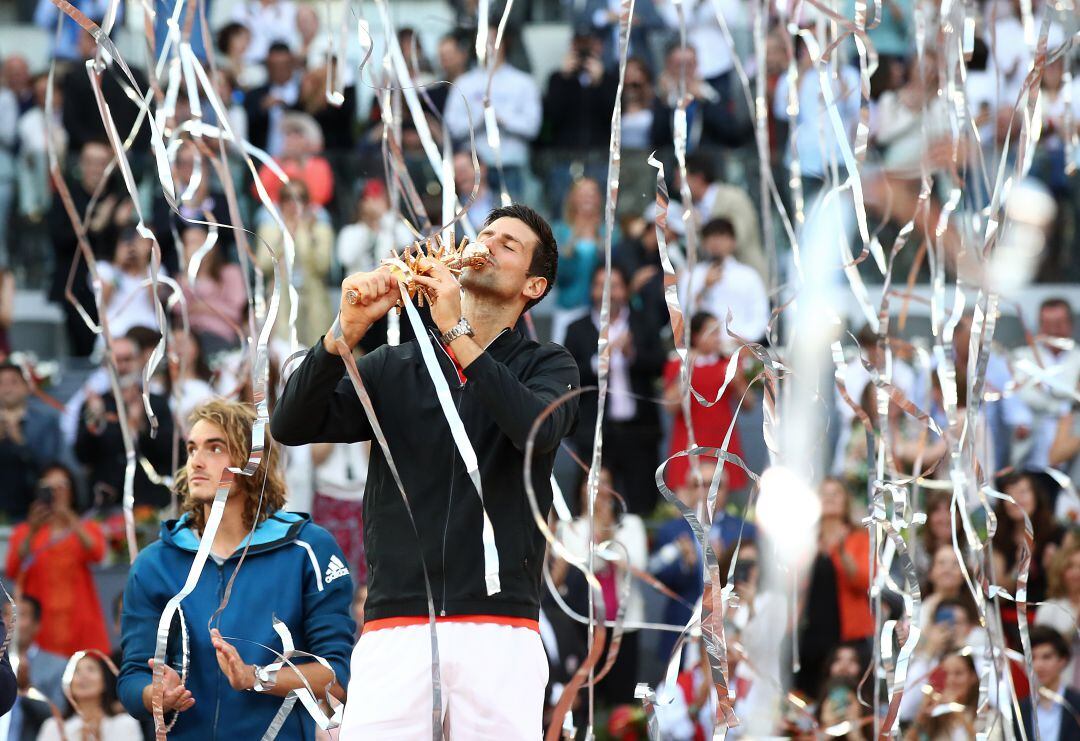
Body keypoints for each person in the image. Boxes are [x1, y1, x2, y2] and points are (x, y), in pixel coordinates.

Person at [270, 203, 578, 738]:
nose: (486, 244)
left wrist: (457, 330)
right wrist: (344, 330)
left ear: (534, 286)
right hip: (397, 620)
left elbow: (537, 430)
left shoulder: (548, 365)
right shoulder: (396, 365)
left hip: (499, 624)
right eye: (485, 234)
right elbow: (292, 423)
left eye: (508, 244)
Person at [118, 399, 355, 739]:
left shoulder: (307, 549)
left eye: (215, 448)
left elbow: (336, 676)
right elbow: (132, 677)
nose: (196, 462)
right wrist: (155, 694)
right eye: (192, 449)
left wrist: (254, 678)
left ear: (251, 461)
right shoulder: (154, 563)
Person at [564, 265, 665, 514]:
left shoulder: (642, 323)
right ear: (592, 290)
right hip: (595, 433)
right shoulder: (577, 329)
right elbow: (568, 375)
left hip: (638, 431)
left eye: (615, 285)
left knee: (642, 500)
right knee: (592, 499)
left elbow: (660, 365)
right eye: (601, 285)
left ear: (626, 290)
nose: (608, 292)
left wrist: (632, 355)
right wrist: (599, 360)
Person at [554, 467, 647, 705]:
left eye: (604, 482)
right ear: (580, 488)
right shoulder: (569, 528)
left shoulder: (631, 525)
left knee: (622, 699)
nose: (598, 488)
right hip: (583, 626)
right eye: (592, 481)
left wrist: (609, 536)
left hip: (623, 627)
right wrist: (598, 536)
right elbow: (578, 573)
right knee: (586, 699)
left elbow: (638, 566)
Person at [6, 464, 110, 657]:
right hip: (40, 626)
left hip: (80, 622)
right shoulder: (25, 530)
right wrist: (32, 530)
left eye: (61, 486)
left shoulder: (83, 526)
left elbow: (97, 553)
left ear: (71, 490)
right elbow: (12, 569)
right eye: (48, 487)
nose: (55, 493)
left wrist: (68, 516)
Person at [74, 336, 176, 510]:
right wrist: (95, 422)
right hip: (108, 503)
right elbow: (82, 456)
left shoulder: (156, 403)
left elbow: (171, 452)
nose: (122, 366)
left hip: (151, 502)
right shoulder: (93, 404)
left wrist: (144, 427)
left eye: (127, 359)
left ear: (138, 361)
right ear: (106, 366)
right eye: (115, 360)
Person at [444, 32, 541, 200]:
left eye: (493, 40)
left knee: (514, 221)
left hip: (511, 165)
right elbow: (452, 126)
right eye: (483, 40)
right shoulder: (464, 83)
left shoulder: (523, 82)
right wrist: (480, 118)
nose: (488, 46)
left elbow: (533, 126)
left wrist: (502, 119)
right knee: (477, 220)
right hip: (475, 170)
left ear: (503, 43)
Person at [662, 312, 749, 493]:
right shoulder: (678, 364)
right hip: (689, 442)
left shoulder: (728, 363)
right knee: (687, 499)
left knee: (722, 496)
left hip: (722, 440)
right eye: (711, 333)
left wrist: (739, 382)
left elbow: (749, 405)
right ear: (696, 336)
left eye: (718, 333)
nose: (717, 338)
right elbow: (670, 406)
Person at [256, 180, 334, 348]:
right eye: (288, 198)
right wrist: (285, 237)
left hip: (313, 300)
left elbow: (323, 266)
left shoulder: (319, 228)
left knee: (316, 350)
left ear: (307, 202)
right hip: (281, 300)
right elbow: (263, 265)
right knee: (283, 349)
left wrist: (309, 233)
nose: (293, 204)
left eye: (300, 198)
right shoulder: (270, 229)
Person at [1012, 298, 1080, 469]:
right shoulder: (1022, 357)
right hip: (1030, 454)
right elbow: (1024, 395)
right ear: (1040, 326)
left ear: (1070, 325)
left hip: (1073, 456)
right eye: (1048, 324)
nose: (1054, 330)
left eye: (1059, 323)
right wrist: (1067, 404)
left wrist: (1042, 392)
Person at [0, 362, 62, 522]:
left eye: (14, 382)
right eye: (1, 383)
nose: (7, 389)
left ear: (27, 387)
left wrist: (20, 443)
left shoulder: (45, 422)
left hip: (34, 508)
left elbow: (49, 464)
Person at [993, 471, 1063, 606]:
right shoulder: (999, 539)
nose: (1016, 500)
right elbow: (998, 596)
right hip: (1010, 617)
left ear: (1036, 496)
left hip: (1049, 614)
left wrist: (1054, 569)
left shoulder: (1056, 534)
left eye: (1023, 492)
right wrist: (1018, 568)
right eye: (1009, 494)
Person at [176, 226, 247, 356]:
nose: (193, 248)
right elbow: (178, 310)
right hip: (192, 343)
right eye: (188, 243)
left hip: (223, 340)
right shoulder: (181, 279)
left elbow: (235, 312)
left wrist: (201, 306)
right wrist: (187, 274)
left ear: (212, 244)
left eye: (197, 241)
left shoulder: (230, 273)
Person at [551, 177, 606, 343]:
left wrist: (599, 241)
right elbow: (557, 275)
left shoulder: (609, 231)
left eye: (592, 193)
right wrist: (574, 238)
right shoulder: (560, 230)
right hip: (568, 307)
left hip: (599, 308)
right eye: (582, 193)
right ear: (573, 198)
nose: (587, 197)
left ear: (599, 198)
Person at [37, 654, 141, 741]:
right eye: (76, 671)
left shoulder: (125, 723)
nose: (83, 676)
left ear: (104, 681)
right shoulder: (53, 727)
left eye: (91, 669)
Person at [2, 596, 68, 710]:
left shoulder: (58, 666)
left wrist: (27, 688)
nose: (9, 622)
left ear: (36, 625)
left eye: (19, 615)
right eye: (5, 614)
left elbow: (60, 716)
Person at [1018, 626, 1080, 741]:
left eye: (1046, 657)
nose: (1039, 665)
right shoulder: (1017, 711)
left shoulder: (1076, 705)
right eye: (1032, 658)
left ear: (1062, 661)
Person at [902, 653, 980, 740]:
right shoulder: (936, 716)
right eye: (945, 673)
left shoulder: (983, 714)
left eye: (958, 673)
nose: (950, 680)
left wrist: (954, 708)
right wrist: (922, 716)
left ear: (973, 677)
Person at [244, 42, 301, 156]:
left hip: (299, 160)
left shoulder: (303, 90)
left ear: (292, 64)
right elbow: (247, 124)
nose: (279, 70)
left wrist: (288, 107)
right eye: (274, 66)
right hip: (265, 158)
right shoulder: (256, 95)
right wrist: (262, 108)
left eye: (283, 65)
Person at [1036, 541, 1080, 688]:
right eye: (1070, 567)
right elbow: (1040, 650)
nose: (1076, 573)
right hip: (1059, 686)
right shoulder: (1049, 608)